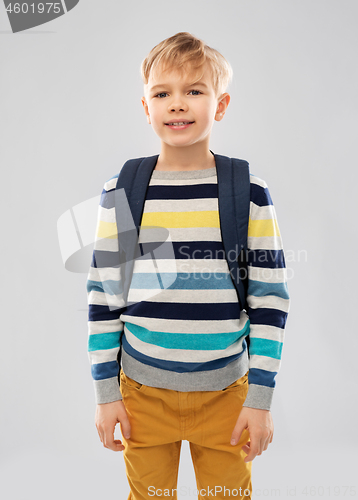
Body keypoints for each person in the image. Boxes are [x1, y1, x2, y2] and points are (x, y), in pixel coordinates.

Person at [87, 32, 290, 500]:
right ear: (146, 106)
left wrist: (259, 401)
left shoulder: (247, 191)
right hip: (140, 394)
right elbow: (104, 298)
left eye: (194, 91)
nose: (177, 104)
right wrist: (106, 394)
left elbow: (271, 303)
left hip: (226, 396)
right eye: (162, 93)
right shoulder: (123, 190)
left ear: (220, 105)